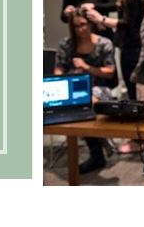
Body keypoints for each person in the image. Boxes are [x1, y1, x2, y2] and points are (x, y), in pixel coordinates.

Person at [54, 12, 116, 174]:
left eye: (84, 24)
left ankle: (96, 154)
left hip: (99, 88)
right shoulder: (66, 44)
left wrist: (87, 67)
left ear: (91, 24)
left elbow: (109, 72)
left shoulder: (104, 43)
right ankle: (101, 143)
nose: (81, 29)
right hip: (71, 87)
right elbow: (59, 70)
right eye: (76, 26)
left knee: (87, 101)